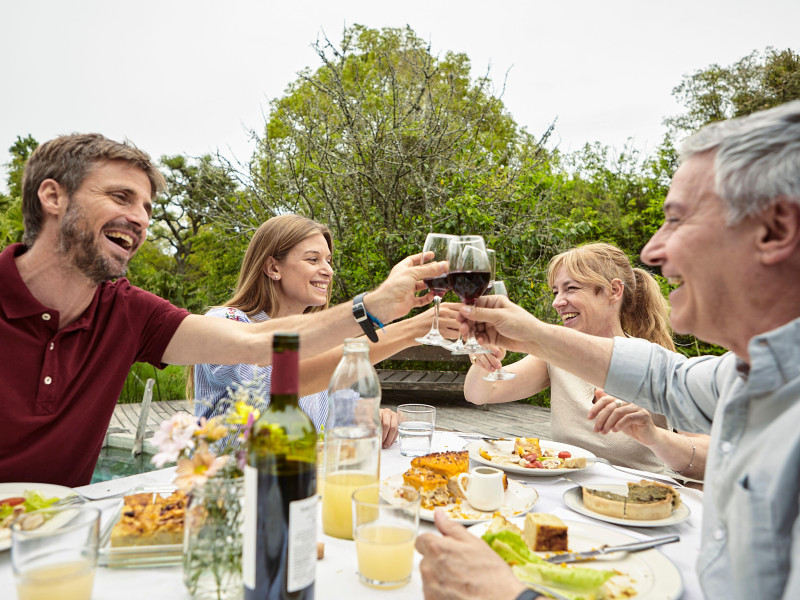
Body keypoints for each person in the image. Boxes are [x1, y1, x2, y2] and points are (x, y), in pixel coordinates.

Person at [418, 101, 800, 599]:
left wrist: (514, 595)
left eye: (677, 219)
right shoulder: (755, 372)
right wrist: (528, 335)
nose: (652, 251)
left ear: (775, 230)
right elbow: (668, 381)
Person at [0, 133, 447, 487]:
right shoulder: (214, 317)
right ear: (53, 197)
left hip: (62, 535)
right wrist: (390, 317)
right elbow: (274, 374)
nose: (140, 218)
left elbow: (259, 345)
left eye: (147, 207)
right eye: (121, 198)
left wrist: (379, 309)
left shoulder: (126, 311)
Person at [191, 214, 461, 447]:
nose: (328, 271)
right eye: (313, 259)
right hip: (228, 496)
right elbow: (287, 380)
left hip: (304, 490)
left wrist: (374, 418)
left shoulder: (322, 346)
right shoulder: (225, 324)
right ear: (273, 267)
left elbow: (339, 421)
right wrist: (413, 328)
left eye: (329, 261)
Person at [465, 242, 706, 475]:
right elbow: (480, 394)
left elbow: (706, 456)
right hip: (565, 492)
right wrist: (484, 360)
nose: (557, 302)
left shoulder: (653, 362)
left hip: (637, 503)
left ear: (614, 291)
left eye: (571, 288)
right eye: (556, 291)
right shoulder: (555, 357)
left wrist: (654, 435)